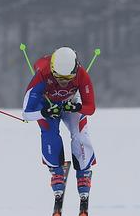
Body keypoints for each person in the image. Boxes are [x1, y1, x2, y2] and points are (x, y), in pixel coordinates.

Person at [22, 46, 96, 201]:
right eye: (59, 78)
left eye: (68, 79)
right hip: (47, 105)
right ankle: (56, 170)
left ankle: (84, 172)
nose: (63, 83)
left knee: (80, 133)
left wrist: (77, 106)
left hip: (70, 103)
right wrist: (45, 112)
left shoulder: (82, 75)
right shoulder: (42, 73)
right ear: (52, 70)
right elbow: (26, 113)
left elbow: (90, 108)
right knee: (49, 132)